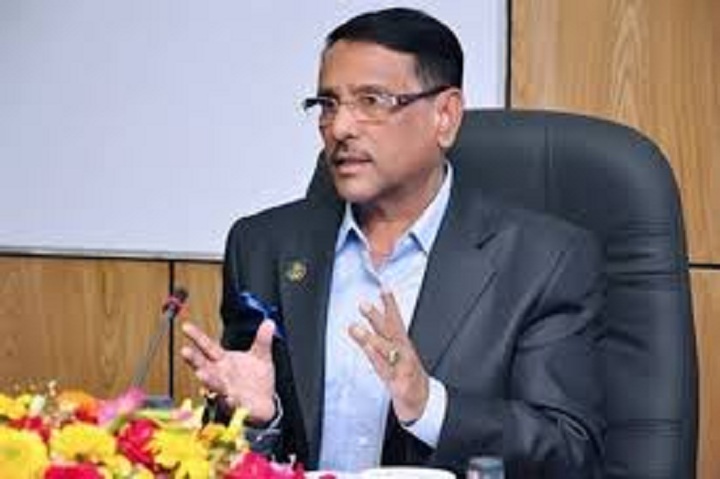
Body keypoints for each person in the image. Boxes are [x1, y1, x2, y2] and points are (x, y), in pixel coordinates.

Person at [181, 7, 605, 477]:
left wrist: (430, 405)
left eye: (371, 101)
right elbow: (236, 447)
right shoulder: (263, 246)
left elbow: (569, 452)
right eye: (328, 104)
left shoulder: (544, 261)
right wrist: (259, 422)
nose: (340, 128)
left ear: (445, 116)